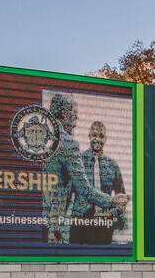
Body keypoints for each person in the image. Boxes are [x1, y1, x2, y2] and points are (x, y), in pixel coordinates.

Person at [41, 95, 124, 244]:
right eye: (74, 114)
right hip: (65, 223)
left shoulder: (42, 139)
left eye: (101, 136)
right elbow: (84, 190)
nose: (76, 120)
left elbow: (122, 193)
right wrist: (113, 202)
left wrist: (114, 211)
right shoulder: (69, 145)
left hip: (41, 220)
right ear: (66, 114)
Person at [71, 121, 128, 244]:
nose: (97, 139)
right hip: (81, 224)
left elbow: (122, 199)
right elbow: (67, 194)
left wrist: (111, 214)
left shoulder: (112, 166)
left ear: (105, 139)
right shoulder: (77, 162)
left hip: (104, 226)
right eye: (94, 135)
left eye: (101, 136)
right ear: (89, 136)